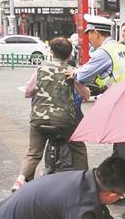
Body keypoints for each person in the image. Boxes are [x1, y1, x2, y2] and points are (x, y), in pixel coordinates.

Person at [68, 14, 125, 219]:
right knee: (120, 152)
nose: (88, 39)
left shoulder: (105, 52)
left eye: (89, 34)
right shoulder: (122, 49)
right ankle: (122, 190)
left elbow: (84, 74)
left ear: (95, 32)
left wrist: (73, 73)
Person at [11, 37, 89, 192]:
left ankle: (20, 181)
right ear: (69, 55)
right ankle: (84, 182)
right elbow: (86, 95)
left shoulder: (40, 69)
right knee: (78, 147)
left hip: (38, 119)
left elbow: (28, 92)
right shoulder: (70, 71)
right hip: (65, 121)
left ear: (51, 52)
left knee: (33, 153)